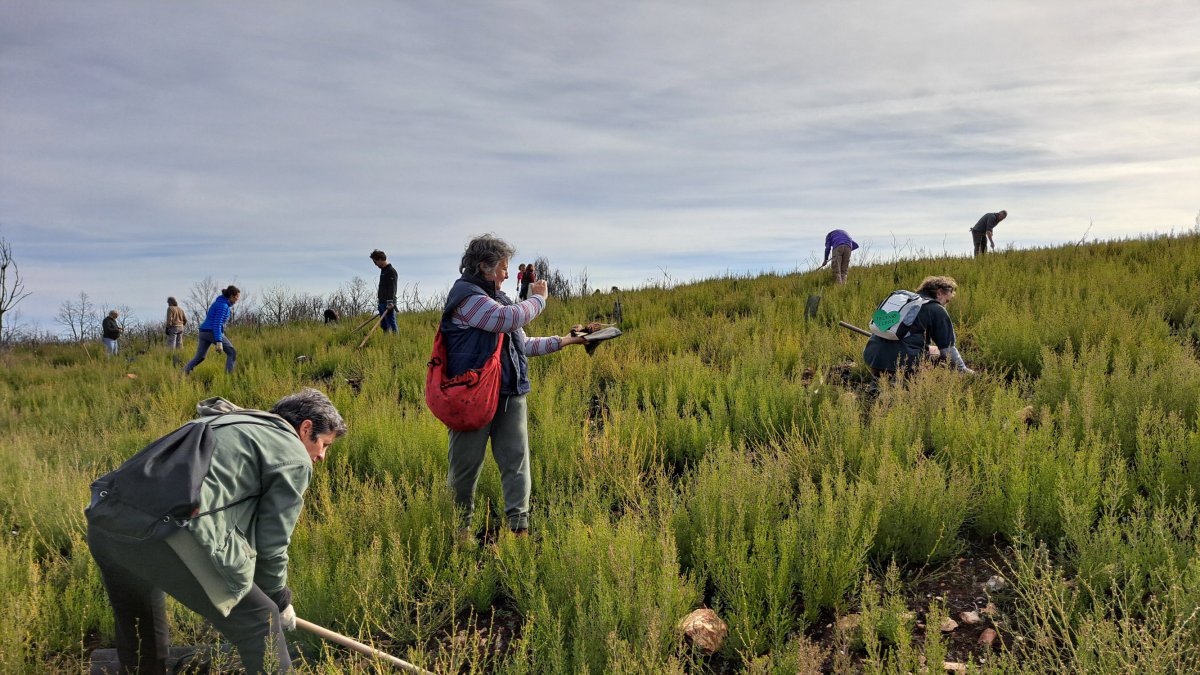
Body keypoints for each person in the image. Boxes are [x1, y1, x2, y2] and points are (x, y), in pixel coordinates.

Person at [86, 388, 347, 674]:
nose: (321, 456)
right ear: (306, 428)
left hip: (106, 522)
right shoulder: (293, 454)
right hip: (167, 535)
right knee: (261, 619)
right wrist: (279, 600)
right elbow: (273, 543)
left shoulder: (227, 422)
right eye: (324, 444)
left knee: (140, 630)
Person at [442, 236, 586, 535]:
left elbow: (522, 344)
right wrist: (539, 299)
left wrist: (566, 341)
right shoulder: (467, 298)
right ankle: (459, 534)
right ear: (484, 267)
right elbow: (504, 320)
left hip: (509, 393)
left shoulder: (498, 299)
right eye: (503, 268)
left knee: (517, 464)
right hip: (473, 398)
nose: (508, 274)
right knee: (464, 472)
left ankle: (518, 531)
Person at [863, 275, 974, 377]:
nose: (946, 305)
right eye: (947, 300)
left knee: (932, 349)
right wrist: (963, 370)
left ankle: (878, 383)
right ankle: (908, 382)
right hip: (904, 364)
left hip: (872, 358)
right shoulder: (936, 309)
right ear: (939, 293)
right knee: (937, 355)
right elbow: (948, 348)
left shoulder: (903, 301)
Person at [184, 286, 240, 375]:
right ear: (231, 296)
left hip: (203, 332)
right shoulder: (223, 306)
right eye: (237, 297)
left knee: (200, 357)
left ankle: (183, 373)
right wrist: (219, 341)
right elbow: (217, 323)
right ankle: (229, 379)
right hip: (211, 332)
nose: (238, 299)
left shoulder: (219, 303)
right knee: (232, 353)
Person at [369, 249, 399, 333]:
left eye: (375, 262)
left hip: (388, 303)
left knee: (392, 325)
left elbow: (392, 288)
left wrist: (390, 303)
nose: (375, 265)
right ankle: (387, 340)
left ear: (380, 259)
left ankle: (395, 341)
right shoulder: (383, 271)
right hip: (381, 302)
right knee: (384, 325)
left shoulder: (391, 271)